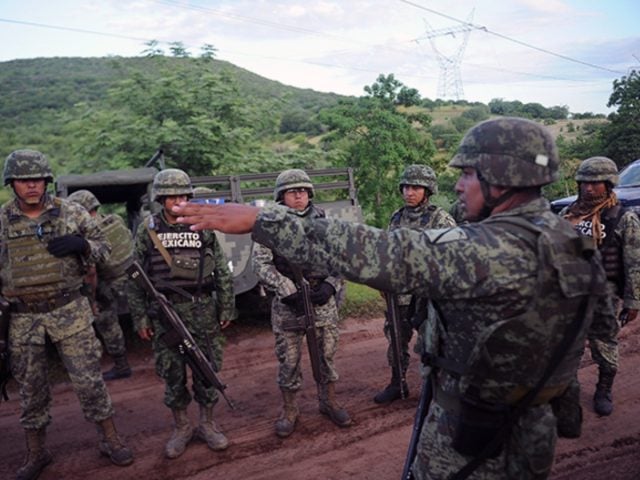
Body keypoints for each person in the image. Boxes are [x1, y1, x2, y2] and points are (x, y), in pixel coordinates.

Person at [172, 117, 610, 480]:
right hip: (535, 432)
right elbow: (601, 322)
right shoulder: (572, 240)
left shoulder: (484, 250)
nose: (458, 186)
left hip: (472, 440)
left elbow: (382, 253)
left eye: (467, 174)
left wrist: (263, 220)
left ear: (503, 179)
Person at [0, 150, 134, 480]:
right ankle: (36, 452)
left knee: (89, 381)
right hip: (23, 317)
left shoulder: (71, 212)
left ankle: (110, 439)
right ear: (12, 183)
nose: (31, 186)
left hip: (69, 310)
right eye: (23, 180)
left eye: (37, 179)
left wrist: (82, 245)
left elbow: (105, 249)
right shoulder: (2, 221)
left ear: (46, 181)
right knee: (31, 389)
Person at [127, 168, 235, 459]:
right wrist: (140, 317)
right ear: (161, 198)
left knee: (207, 369)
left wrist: (226, 306)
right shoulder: (147, 229)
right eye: (171, 195)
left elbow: (222, 270)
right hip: (166, 314)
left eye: (182, 195)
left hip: (203, 311)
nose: (177, 200)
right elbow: (136, 275)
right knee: (172, 374)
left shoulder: (203, 225)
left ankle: (207, 424)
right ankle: (182, 427)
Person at [251, 169, 351, 438]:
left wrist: (331, 284)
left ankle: (329, 401)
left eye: (304, 191)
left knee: (326, 356)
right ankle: (290, 410)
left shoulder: (324, 222)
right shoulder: (269, 224)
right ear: (281, 196)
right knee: (289, 361)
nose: (299, 196)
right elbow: (260, 264)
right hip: (288, 305)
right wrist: (288, 290)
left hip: (322, 302)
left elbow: (342, 259)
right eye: (293, 192)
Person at [559, 156, 640, 416]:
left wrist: (633, 301)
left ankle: (603, 389)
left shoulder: (623, 218)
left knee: (604, 346)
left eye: (596, 184)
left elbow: (634, 263)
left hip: (604, 295)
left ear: (609, 184)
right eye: (584, 183)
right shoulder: (567, 214)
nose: (589, 188)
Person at [374, 164, 456, 405]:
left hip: (426, 297)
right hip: (398, 295)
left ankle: (435, 388)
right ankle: (397, 383)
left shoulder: (440, 218)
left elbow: (453, 256)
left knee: (431, 342)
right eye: (406, 187)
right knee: (396, 340)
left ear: (427, 190)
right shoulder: (397, 217)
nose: (409, 192)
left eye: (416, 187)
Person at [67, 189, 134, 381]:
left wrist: (92, 299)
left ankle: (122, 366)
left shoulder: (88, 235)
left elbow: (91, 273)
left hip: (110, 283)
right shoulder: (116, 220)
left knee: (106, 321)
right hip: (135, 278)